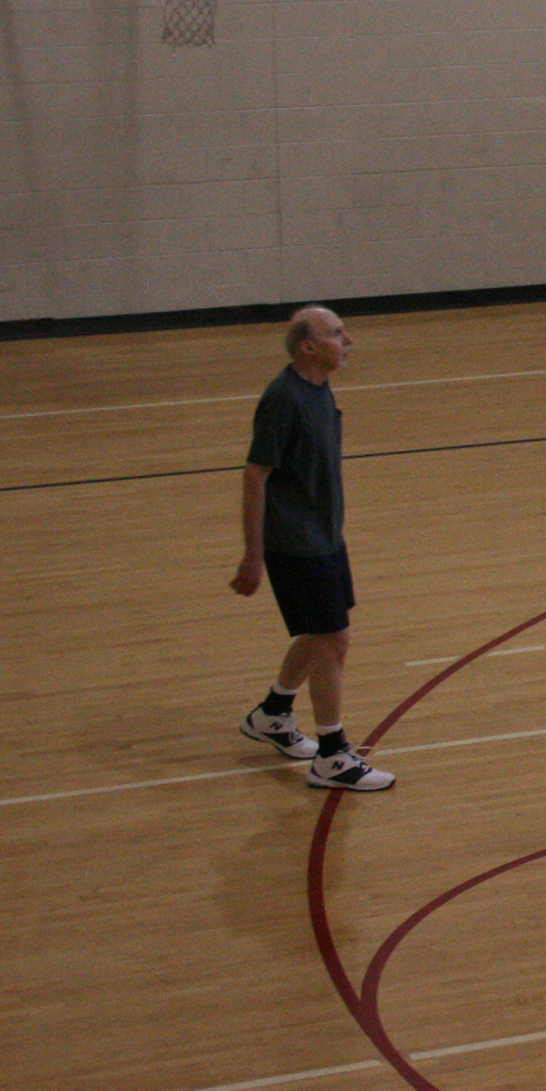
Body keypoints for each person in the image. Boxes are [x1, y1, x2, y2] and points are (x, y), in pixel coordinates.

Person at [229, 306, 394, 792]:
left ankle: (274, 715)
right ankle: (332, 755)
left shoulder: (319, 387)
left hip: (324, 533)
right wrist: (253, 554)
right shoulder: (285, 399)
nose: (349, 341)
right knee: (332, 639)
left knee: (322, 634)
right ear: (308, 346)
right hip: (296, 541)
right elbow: (256, 474)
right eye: (337, 334)